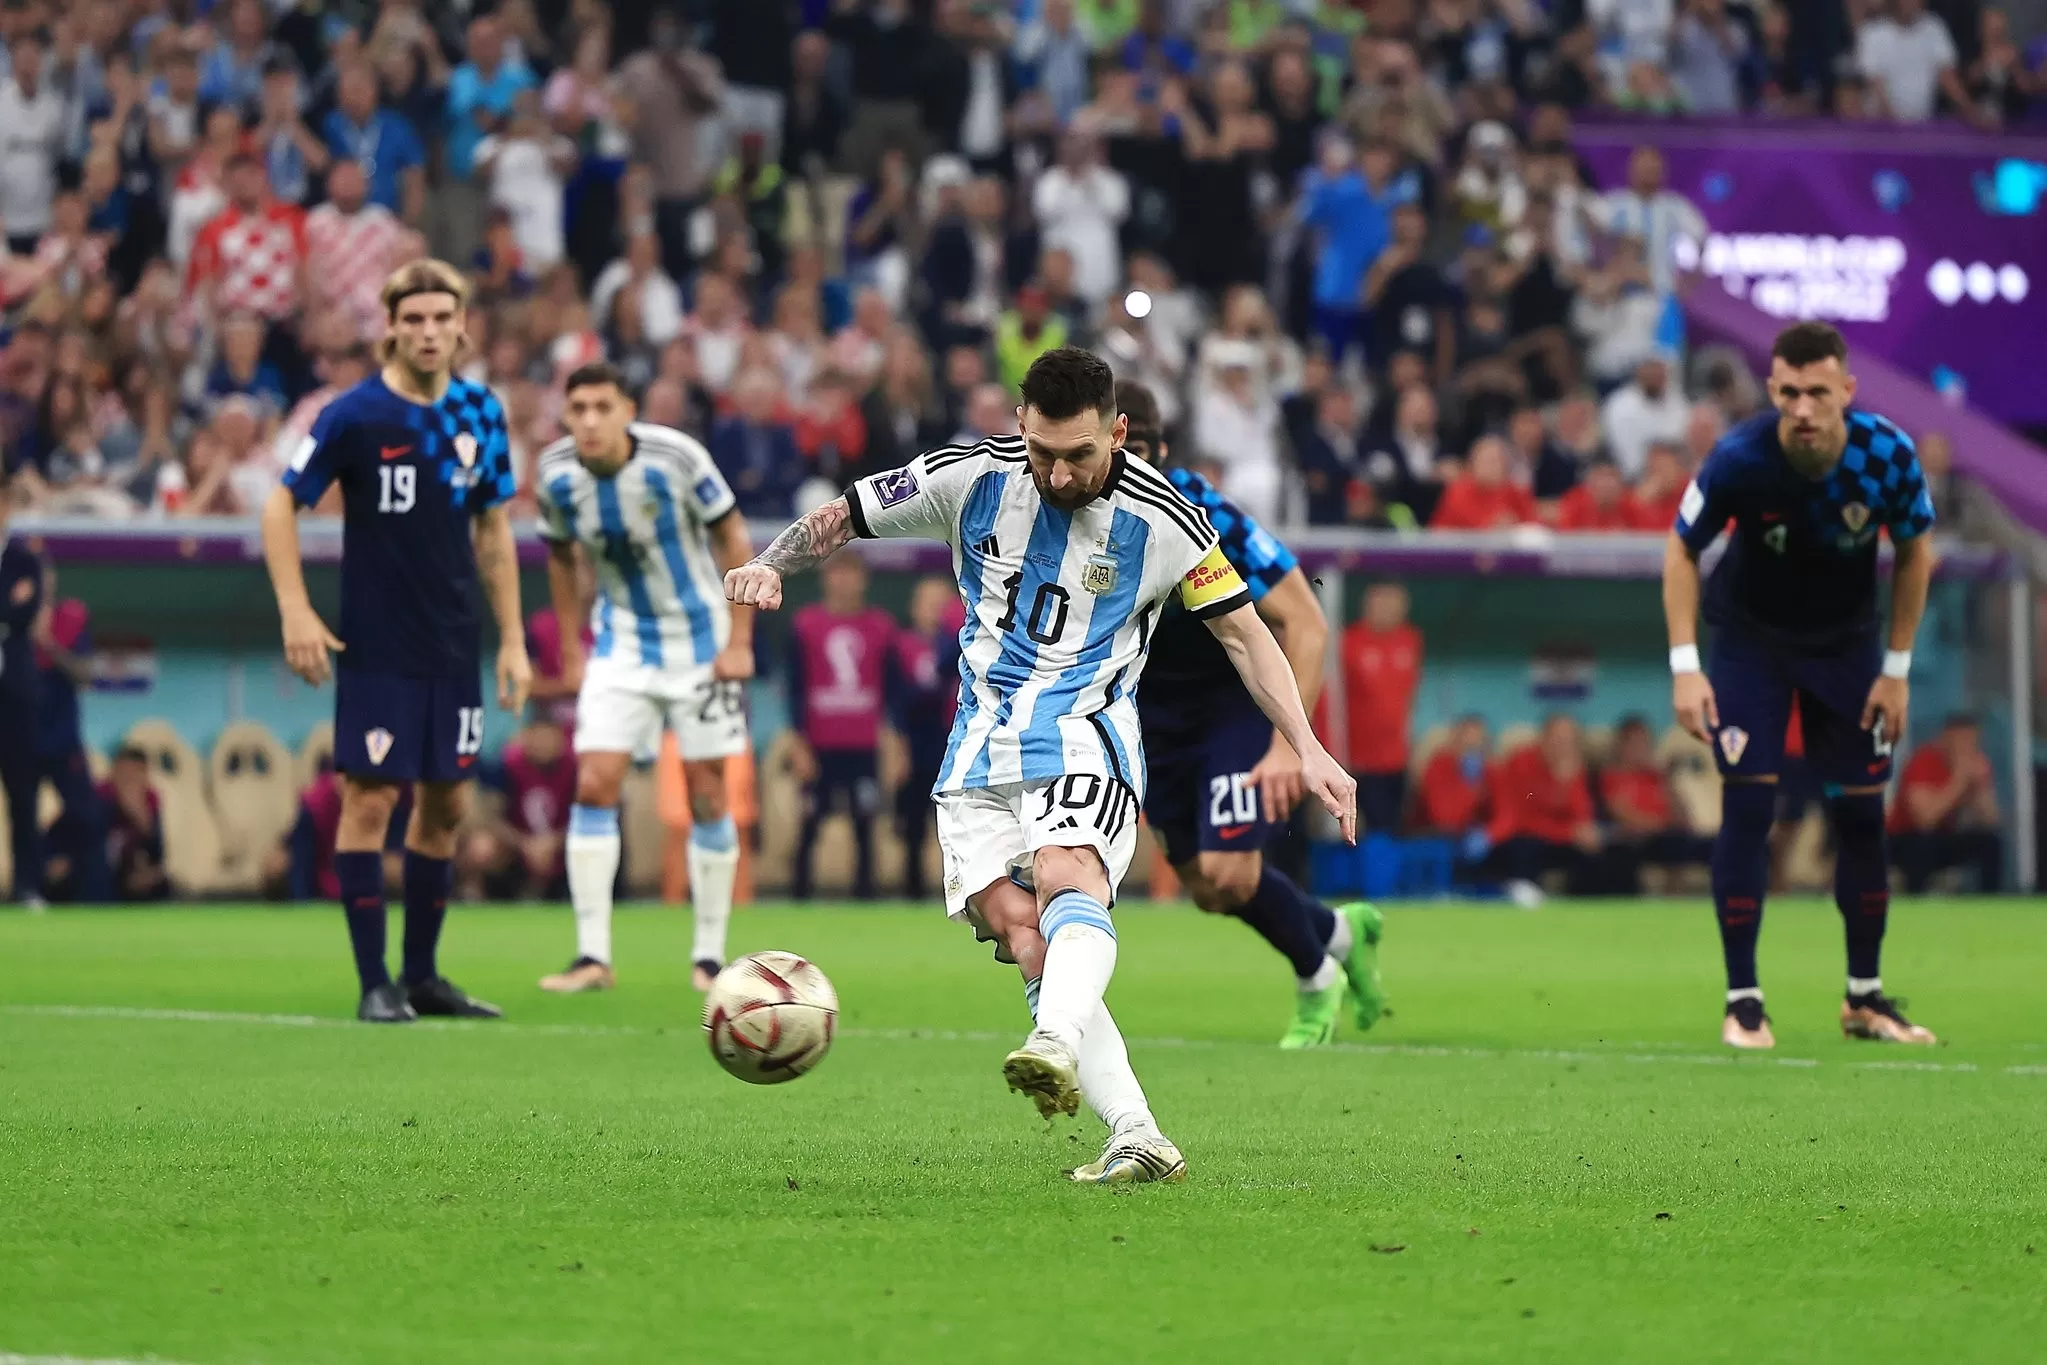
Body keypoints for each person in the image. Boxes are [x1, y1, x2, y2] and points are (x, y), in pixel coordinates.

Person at [725, 348, 1357, 1184]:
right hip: (976, 752)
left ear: (1117, 432)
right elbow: (844, 515)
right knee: (1024, 936)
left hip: (1086, 733)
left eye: (1079, 455)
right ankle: (1136, 1133)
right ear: (1020, 423)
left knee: (1066, 876)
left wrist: (1306, 746)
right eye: (1043, 452)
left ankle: (1053, 1038)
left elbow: (1246, 633)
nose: (1059, 474)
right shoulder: (967, 478)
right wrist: (768, 563)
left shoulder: (1168, 518)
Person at [262, 259, 530, 1024]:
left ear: (462, 325)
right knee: (372, 797)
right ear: (390, 327)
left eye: (442, 317)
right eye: (413, 319)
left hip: (453, 642)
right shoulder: (353, 414)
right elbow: (280, 508)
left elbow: (493, 530)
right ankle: (372, 981)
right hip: (377, 642)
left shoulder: (480, 411)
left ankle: (421, 977)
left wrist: (512, 638)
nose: (428, 331)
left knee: (447, 805)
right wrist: (295, 609)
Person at [1665, 322, 1939, 1050]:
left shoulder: (1887, 455)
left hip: (1846, 649)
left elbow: (1916, 552)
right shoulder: (1739, 458)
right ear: (1772, 389)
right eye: (1788, 393)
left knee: (1860, 818)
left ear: (1846, 390)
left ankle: (1864, 999)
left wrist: (1896, 670)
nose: (1803, 408)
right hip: (1751, 644)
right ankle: (1744, 1003)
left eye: (1818, 392)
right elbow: (1681, 549)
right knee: (1749, 809)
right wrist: (1686, 665)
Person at [1122, 382, 1381, 1051]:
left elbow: (1306, 621)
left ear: (1162, 450)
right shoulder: (1079, 518)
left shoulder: (1205, 514)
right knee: (1208, 889)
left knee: (1231, 870)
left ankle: (1316, 976)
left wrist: (1287, 745)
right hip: (1151, 721)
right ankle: (1340, 931)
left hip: (1231, 709)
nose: (1130, 467)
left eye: (1140, 450)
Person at [531, 362, 754, 994]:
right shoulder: (555, 474)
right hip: (621, 643)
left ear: (628, 411)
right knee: (595, 781)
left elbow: (733, 538)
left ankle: (708, 959)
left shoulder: (677, 457)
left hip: (700, 642)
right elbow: (560, 558)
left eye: (603, 407)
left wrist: (739, 640)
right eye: (578, 409)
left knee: (707, 794)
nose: (590, 421)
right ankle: (592, 957)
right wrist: (572, 650)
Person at [787, 555, 895, 902]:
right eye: (838, 574)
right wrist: (798, 743)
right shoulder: (806, 625)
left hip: (863, 744)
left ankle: (866, 898)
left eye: (851, 573)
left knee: (865, 822)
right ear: (826, 579)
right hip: (819, 743)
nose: (844, 581)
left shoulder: (881, 627)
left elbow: (893, 690)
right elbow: (794, 688)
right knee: (810, 821)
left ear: (863, 579)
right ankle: (798, 897)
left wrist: (894, 741)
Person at [33, 570, 109, 903]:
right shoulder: (10, 621)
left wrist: (48, 643)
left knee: (87, 815)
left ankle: (97, 897)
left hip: (63, 739)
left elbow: (86, 674)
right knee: (23, 818)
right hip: (19, 739)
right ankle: (28, 893)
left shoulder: (69, 618)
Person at [890, 575, 963, 902]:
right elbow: (901, 699)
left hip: (958, 740)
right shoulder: (903, 645)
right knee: (915, 821)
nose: (935, 611)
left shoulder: (969, 640)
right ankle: (913, 889)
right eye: (928, 604)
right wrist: (898, 746)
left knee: (962, 819)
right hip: (920, 742)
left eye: (942, 604)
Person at [1486, 714, 1603, 904]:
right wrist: (1568, 832)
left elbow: (1582, 817)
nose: (1563, 746)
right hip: (1525, 837)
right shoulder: (1522, 762)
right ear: (1544, 738)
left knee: (1596, 855)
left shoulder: (1573, 768)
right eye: (1558, 739)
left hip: (1560, 839)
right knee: (1524, 849)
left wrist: (1569, 785)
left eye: (1569, 741)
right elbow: (1522, 818)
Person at [1888, 714, 2004, 893]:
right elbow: (1925, 820)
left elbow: (1991, 820)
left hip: (1943, 836)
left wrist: (1981, 786)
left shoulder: (1977, 765)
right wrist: (1959, 780)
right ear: (1945, 738)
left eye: (1972, 741)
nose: (1967, 747)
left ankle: (1991, 900)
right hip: (1903, 838)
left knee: (1990, 842)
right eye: (1962, 740)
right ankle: (1914, 898)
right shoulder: (1924, 760)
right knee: (1922, 846)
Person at [1341, 582, 1422, 836]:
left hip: (1398, 757)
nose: (1389, 611)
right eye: (1382, 604)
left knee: (1395, 826)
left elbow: (1408, 700)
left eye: (1395, 606)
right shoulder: (1348, 642)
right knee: (1371, 827)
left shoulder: (1410, 640)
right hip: (1361, 758)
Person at [0, 477, 46, 908]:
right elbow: (10, 609)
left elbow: (25, 612)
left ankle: (27, 886)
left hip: (15, 689)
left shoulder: (23, 558)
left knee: (23, 791)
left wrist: (13, 608)